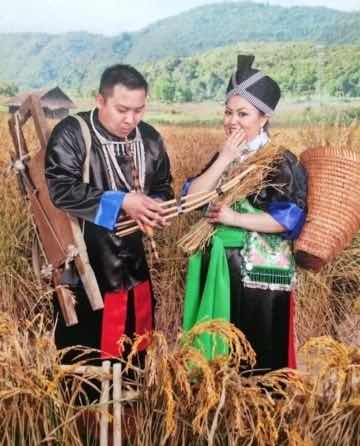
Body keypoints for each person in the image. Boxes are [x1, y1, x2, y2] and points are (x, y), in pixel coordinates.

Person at [182, 55, 307, 372]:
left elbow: (288, 219)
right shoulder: (224, 155)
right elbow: (190, 201)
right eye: (227, 112)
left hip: (259, 276)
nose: (232, 121)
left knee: (255, 358)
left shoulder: (278, 160)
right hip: (219, 264)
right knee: (218, 361)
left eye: (242, 113)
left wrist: (234, 219)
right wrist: (224, 158)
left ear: (263, 118)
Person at [45, 64, 174, 364]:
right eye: (122, 109)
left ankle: (131, 405)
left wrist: (155, 207)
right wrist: (122, 202)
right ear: (100, 100)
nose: (131, 119)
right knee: (86, 355)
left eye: (139, 110)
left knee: (134, 347)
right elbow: (61, 189)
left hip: (134, 264)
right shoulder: (73, 133)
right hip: (86, 265)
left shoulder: (150, 139)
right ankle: (87, 410)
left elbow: (163, 187)